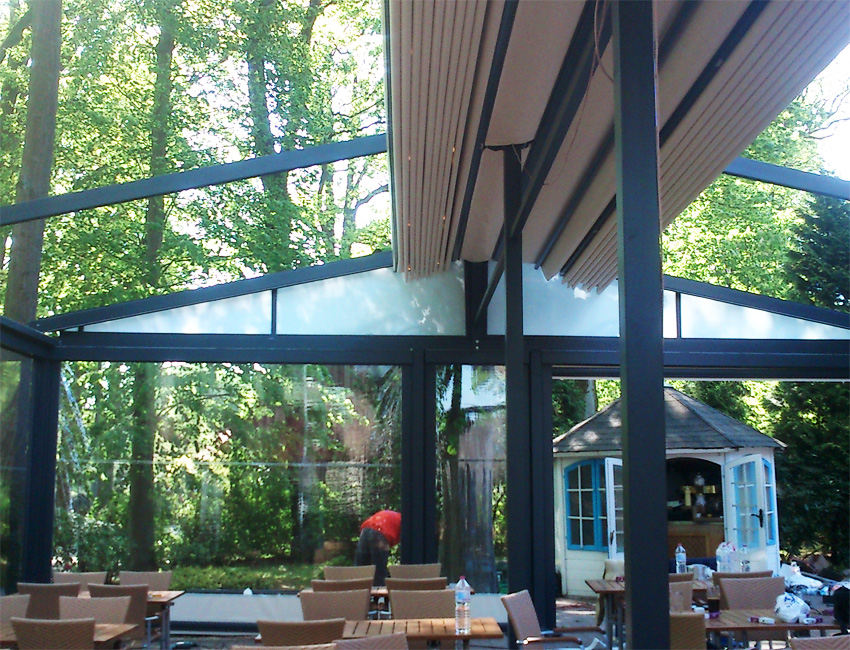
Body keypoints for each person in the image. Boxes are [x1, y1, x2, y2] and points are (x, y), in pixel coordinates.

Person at [355, 509, 400, 586]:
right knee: (379, 571)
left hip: (366, 529)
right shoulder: (405, 523)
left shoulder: (395, 517)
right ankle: (380, 591)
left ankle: (357, 590)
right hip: (381, 532)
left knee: (360, 570)